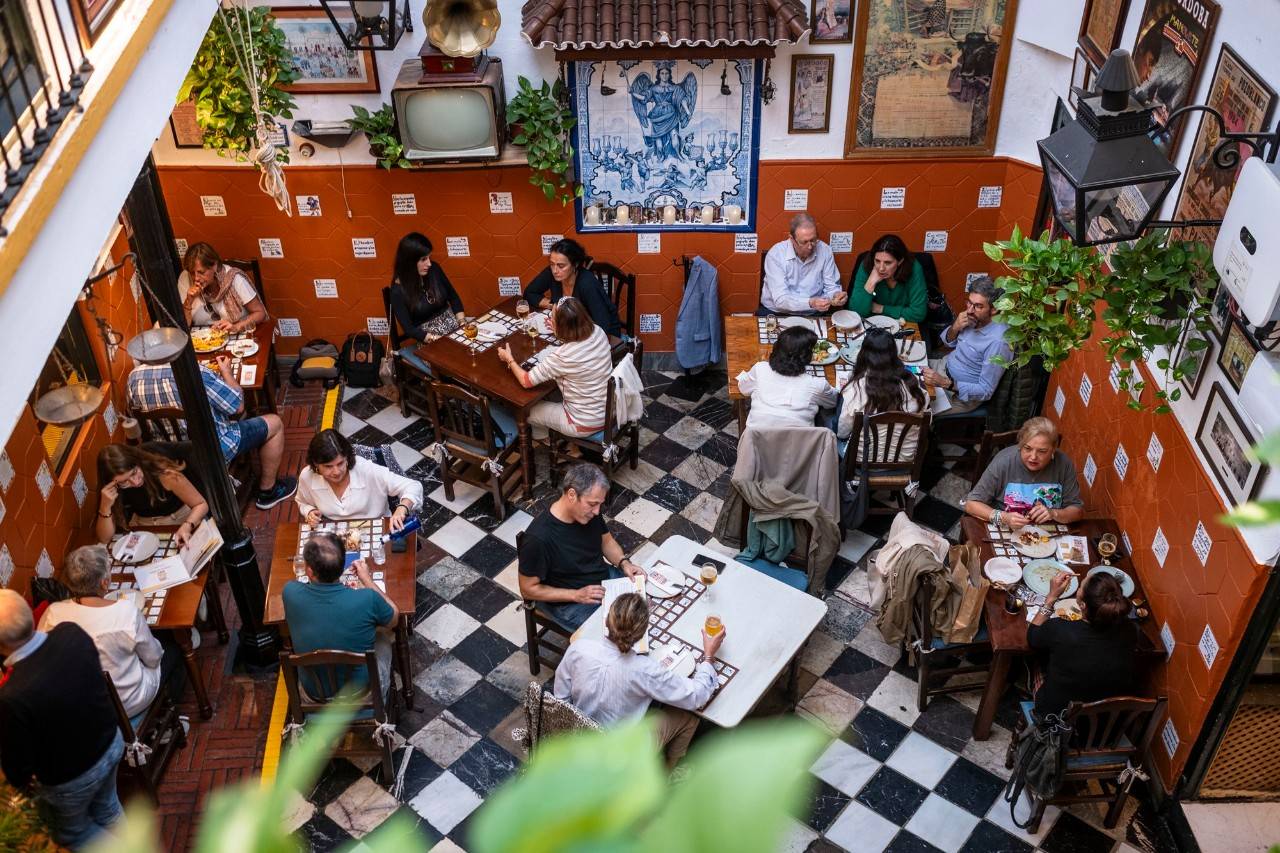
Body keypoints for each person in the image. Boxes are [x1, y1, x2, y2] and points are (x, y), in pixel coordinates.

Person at [0, 590, 124, 849]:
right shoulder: (71, 633)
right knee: (109, 809)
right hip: (111, 741)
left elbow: (18, 763)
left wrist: (22, 786)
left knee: (74, 834)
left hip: (72, 777)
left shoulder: (13, 695)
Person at [554, 593, 724, 768]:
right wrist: (709, 656)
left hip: (579, 739)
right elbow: (697, 696)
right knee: (689, 718)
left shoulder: (579, 648)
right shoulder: (644, 669)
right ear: (642, 633)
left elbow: (560, 699)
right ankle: (666, 775)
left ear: (606, 621)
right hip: (619, 757)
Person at [128, 359, 297, 510]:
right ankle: (268, 491)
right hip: (210, 449)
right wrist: (227, 373)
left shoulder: (133, 377)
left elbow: (132, 414)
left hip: (165, 453)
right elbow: (237, 407)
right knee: (275, 423)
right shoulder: (197, 372)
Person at [39, 545, 179, 721]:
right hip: (128, 703)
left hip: (81, 709)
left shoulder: (53, 613)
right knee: (171, 650)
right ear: (104, 583)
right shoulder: (126, 611)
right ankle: (164, 720)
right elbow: (154, 657)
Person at [518, 463, 644, 629]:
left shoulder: (589, 513)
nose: (597, 512)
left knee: (647, 606)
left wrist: (624, 562)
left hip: (602, 580)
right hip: (568, 603)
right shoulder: (538, 539)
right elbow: (528, 589)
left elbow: (606, 542)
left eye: (600, 504)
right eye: (592, 504)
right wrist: (577, 595)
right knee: (623, 631)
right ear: (572, 494)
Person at [282, 531, 399, 694]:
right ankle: (382, 695)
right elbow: (394, 618)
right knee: (384, 638)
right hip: (359, 691)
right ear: (343, 564)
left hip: (315, 691)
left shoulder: (290, 592)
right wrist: (366, 578)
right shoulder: (367, 599)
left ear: (309, 571)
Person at [497, 296, 613, 441]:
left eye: (552, 318)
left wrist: (509, 358)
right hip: (610, 409)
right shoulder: (598, 331)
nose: (549, 320)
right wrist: (559, 330)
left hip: (582, 423)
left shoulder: (563, 356)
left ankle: (546, 440)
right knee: (549, 393)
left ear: (562, 326)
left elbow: (526, 381)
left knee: (525, 411)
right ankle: (547, 439)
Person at [1028, 571, 1137, 719]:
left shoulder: (1062, 630)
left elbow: (1032, 636)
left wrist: (1051, 598)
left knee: (1034, 659)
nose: (1078, 589)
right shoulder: (1130, 629)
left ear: (1082, 605)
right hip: (1102, 718)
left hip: (1059, 719)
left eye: (1079, 587)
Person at [964, 416, 1084, 529]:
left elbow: (1077, 511)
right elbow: (971, 504)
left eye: (1042, 451)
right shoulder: (1004, 461)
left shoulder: (1064, 463)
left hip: (1047, 534)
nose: (1033, 457)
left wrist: (1054, 513)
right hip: (1008, 529)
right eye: (1027, 448)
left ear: (1053, 450)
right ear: (1020, 445)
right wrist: (1004, 517)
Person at [296, 429, 422, 529]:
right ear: (316, 464)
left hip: (378, 529)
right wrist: (310, 511)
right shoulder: (307, 477)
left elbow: (413, 486)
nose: (336, 472)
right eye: (328, 466)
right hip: (337, 535)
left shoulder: (366, 469)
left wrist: (402, 508)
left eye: (340, 463)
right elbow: (302, 502)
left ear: (347, 458)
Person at [921, 276, 1012, 414]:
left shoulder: (999, 342)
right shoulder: (973, 316)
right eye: (969, 303)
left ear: (994, 310)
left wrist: (946, 383)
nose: (969, 310)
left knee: (915, 409)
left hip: (958, 394)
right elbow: (947, 342)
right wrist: (955, 327)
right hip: (942, 367)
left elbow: (986, 391)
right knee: (899, 373)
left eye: (978, 306)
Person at [95, 442, 208, 547]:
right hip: (144, 525)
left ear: (138, 461)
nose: (135, 482)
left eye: (134, 473)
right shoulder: (113, 489)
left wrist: (188, 525)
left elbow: (201, 504)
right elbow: (105, 539)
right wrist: (105, 507)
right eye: (124, 482)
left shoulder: (163, 473)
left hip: (180, 518)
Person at [836, 327, 927, 457]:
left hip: (862, 462)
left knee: (833, 431)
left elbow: (842, 433)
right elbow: (926, 423)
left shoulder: (855, 389)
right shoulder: (914, 386)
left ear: (864, 354)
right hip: (905, 460)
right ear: (894, 354)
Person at [388, 232, 465, 373]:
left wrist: (462, 323)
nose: (429, 263)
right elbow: (409, 329)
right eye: (423, 259)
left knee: (475, 352)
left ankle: (478, 393)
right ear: (409, 262)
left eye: (429, 257)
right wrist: (436, 339)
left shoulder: (434, 269)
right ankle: (463, 393)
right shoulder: (398, 291)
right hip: (430, 340)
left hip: (454, 329)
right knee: (456, 365)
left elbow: (453, 297)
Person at [736, 325, 838, 429]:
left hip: (755, 441)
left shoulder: (760, 369)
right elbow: (833, 402)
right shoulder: (818, 385)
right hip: (801, 443)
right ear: (807, 357)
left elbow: (743, 389)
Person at [522, 238, 623, 338]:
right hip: (572, 329)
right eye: (552, 264)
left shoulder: (587, 283)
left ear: (575, 264)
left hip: (603, 336)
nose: (555, 270)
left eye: (561, 266)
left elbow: (602, 326)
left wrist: (566, 330)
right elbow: (529, 293)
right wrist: (554, 306)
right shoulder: (552, 273)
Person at [760, 212, 847, 315]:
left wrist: (836, 295)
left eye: (813, 240)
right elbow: (781, 299)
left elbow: (831, 287)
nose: (810, 247)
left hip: (813, 312)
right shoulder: (776, 254)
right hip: (778, 311)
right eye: (804, 242)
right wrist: (810, 302)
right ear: (792, 239)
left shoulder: (825, 251)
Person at [177, 242, 268, 333]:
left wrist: (236, 327)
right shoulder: (185, 278)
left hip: (236, 337)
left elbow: (260, 313)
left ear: (214, 266)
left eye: (201, 272)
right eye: (192, 273)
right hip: (203, 340)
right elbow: (183, 327)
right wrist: (188, 301)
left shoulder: (233, 278)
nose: (196, 278)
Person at [847, 234, 928, 323]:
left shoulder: (914, 268)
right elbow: (855, 312)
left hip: (905, 324)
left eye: (888, 263)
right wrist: (871, 282)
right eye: (877, 261)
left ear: (900, 261)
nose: (881, 268)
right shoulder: (867, 264)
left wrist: (881, 309)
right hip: (872, 325)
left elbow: (919, 313)